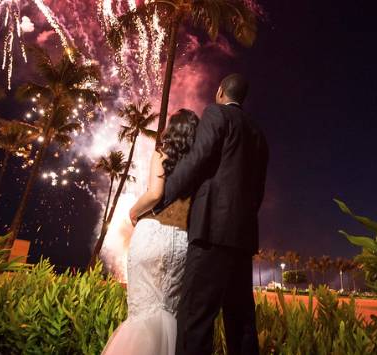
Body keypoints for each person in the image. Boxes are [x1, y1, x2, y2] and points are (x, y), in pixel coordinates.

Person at [157, 74, 269, 355]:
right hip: (242, 237)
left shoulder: (216, 114)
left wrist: (162, 195)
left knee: (195, 317)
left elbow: (198, 159)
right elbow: (258, 191)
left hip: (211, 232)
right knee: (241, 320)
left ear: (220, 91)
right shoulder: (258, 134)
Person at [102, 109, 200, 355]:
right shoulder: (199, 163)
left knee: (142, 312)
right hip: (182, 240)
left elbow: (155, 194)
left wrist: (133, 212)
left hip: (152, 233)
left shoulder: (162, 153)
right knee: (168, 310)